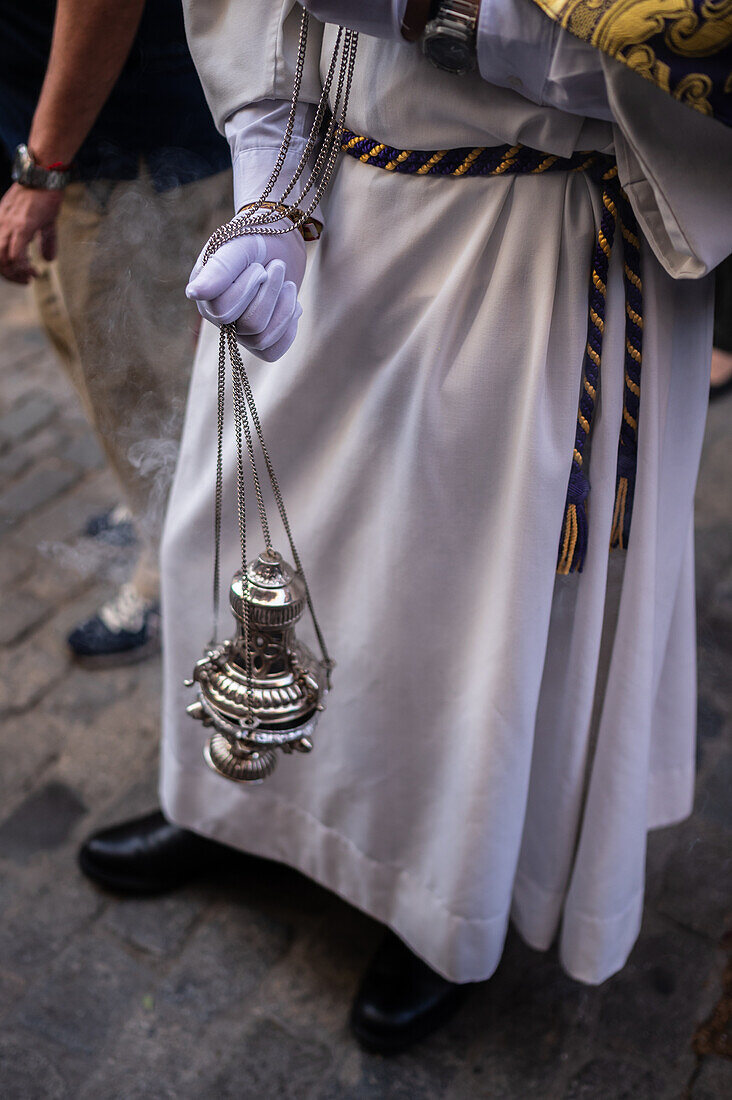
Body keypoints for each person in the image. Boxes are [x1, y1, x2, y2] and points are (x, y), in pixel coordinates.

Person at [79, 0, 732, 1051]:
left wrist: (436, 13)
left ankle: (439, 899)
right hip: (334, 214)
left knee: (449, 611)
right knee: (230, 527)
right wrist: (273, 202)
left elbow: (685, 59)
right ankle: (233, 806)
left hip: (530, 232)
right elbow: (275, 31)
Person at [0, 0, 232, 665]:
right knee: (90, 352)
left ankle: (172, 576)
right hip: (59, 142)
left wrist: (46, 164)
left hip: (125, 146)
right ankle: (150, 502)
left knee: (144, 384)